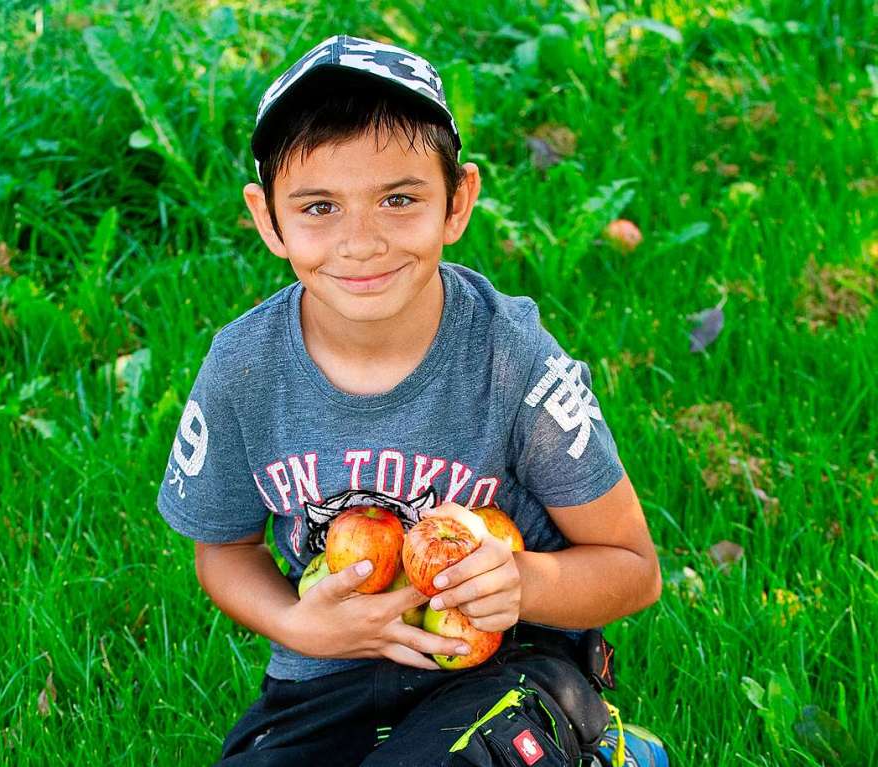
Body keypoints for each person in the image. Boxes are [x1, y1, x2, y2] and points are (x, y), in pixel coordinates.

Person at [156, 34, 669, 766]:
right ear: (268, 218)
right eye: (319, 206)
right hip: (327, 676)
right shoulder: (243, 368)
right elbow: (225, 550)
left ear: (458, 200)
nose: (361, 242)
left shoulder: (510, 359)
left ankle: (599, 744)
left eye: (399, 198)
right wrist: (298, 626)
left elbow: (632, 566)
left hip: (501, 666)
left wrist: (517, 582)